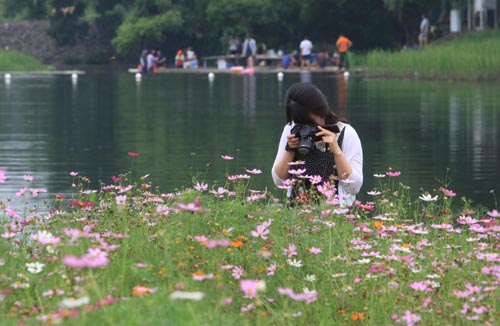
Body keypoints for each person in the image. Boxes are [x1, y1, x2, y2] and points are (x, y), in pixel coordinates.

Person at [272, 82, 363, 207]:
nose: (307, 127)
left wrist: (337, 152)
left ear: (322, 111)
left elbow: (353, 188)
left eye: (310, 122)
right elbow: (279, 181)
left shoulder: (346, 133)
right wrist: (289, 151)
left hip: (336, 215)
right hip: (297, 215)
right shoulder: (291, 130)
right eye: (301, 123)